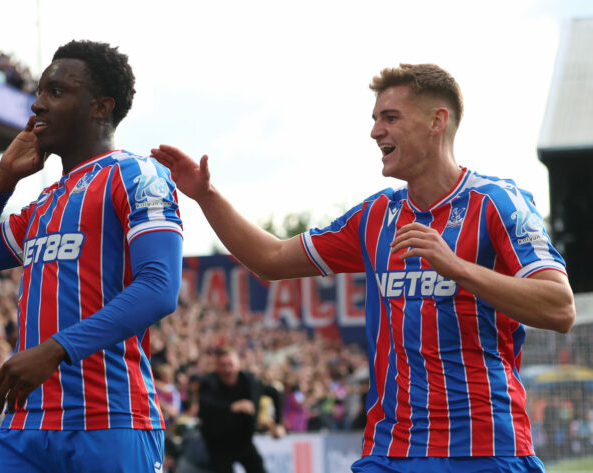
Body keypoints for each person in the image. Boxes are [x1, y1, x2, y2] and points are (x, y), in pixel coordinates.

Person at [152, 63, 576, 473]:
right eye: (375, 119)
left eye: (390, 117)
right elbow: (272, 259)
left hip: (484, 448)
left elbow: (559, 308)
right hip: (389, 450)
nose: (375, 131)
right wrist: (206, 196)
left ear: (437, 121)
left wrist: (456, 267)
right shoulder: (376, 216)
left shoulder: (498, 203)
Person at [0, 39, 183, 473]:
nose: (37, 105)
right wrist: (1, 181)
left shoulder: (136, 175)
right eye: (39, 92)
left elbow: (159, 288)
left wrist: (55, 349)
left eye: (56, 92)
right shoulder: (44, 205)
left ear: (100, 107)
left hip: (109, 420)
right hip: (25, 427)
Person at [198, 347, 284, 473]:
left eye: (230, 365)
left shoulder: (250, 381)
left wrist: (278, 423)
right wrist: (233, 407)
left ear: (238, 365)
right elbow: (206, 405)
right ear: (216, 367)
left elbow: (275, 393)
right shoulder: (208, 383)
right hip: (218, 445)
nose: (227, 370)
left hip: (244, 442)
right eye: (223, 365)